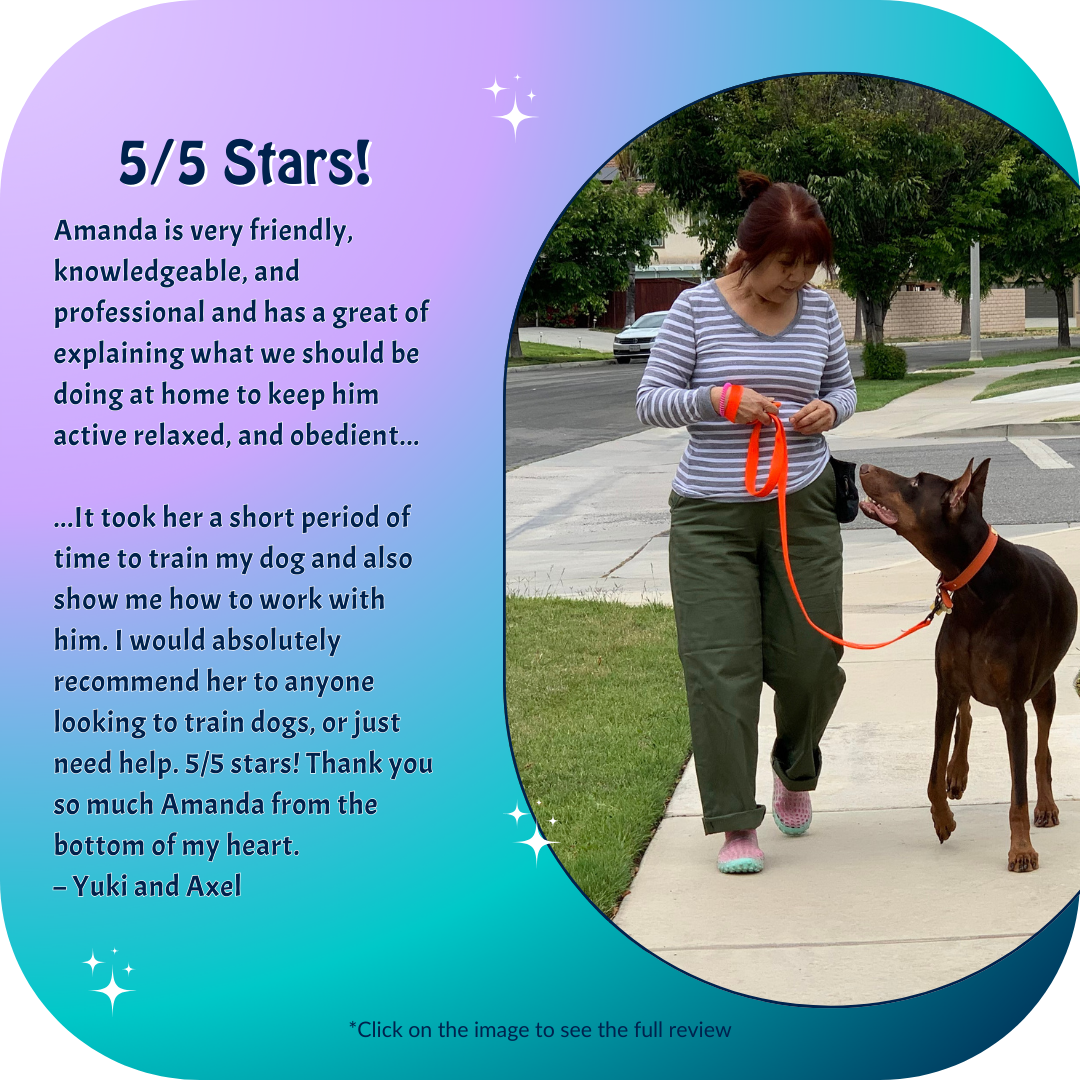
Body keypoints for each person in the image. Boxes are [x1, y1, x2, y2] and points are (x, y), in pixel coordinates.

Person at [636, 170, 857, 874]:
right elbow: (650, 401)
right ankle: (735, 823)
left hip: (804, 505)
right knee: (720, 671)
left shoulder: (818, 313)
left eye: (808, 266)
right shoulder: (695, 310)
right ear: (749, 249)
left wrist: (831, 410)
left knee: (811, 662)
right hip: (711, 519)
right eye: (784, 264)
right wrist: (718, 400)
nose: (796, 279)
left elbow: (842, 387)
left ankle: (795, 769)